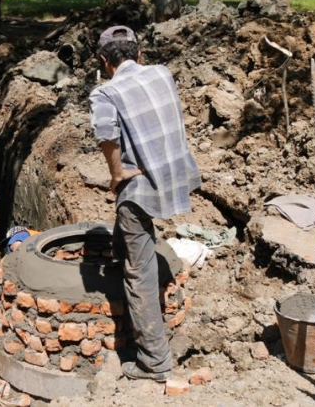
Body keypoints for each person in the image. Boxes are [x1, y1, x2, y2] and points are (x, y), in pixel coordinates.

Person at [89, 25, 201, 382]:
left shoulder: (105, 92)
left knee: (139, 271)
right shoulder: (163, 74)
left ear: (105, 62)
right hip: (174, 174)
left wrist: (117, 173)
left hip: (141, 185)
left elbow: (107, 136)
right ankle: (123, 251)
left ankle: (154, 362)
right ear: (139, 55)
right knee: (131, 231)